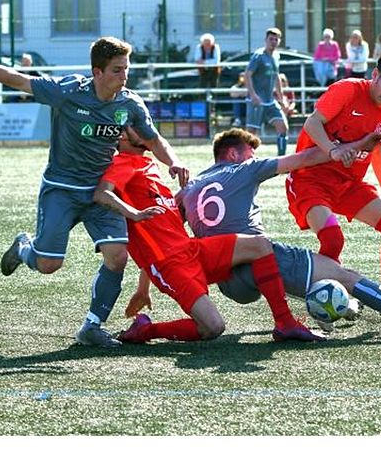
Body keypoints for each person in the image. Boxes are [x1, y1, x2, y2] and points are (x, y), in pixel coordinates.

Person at [0, 36, 190, 349]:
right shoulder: (69, 91)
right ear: (96, 72)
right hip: (62, 189)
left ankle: (92, 327)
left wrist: (174, 162)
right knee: (49, 264)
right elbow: (18, 79)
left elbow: (155, 142)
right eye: (117, 70)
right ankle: (23, 248)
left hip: (101, 192)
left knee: (117, 258)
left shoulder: (129, 104)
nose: (124, 76)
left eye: (126, 69)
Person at [175, 128, 381, 339]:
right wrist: (348, 147)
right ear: (233, 152)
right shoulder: (244, 169)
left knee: (295, 276)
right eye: (250, 153)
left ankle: (316, 307)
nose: (253, 157)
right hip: (255, 256)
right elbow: (303, 159)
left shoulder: (189, 188)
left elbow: (171, 235)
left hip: (227, 283)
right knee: (344, 275)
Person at [94, 127, 325, 343]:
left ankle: (285, 323)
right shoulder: (122, 163)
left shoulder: (148, 166)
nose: (146, 129)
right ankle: (147, 330)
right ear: (122, 137)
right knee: (213, 327)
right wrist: (132, 213)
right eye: (136, 126)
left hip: (191, 249)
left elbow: (157, 229)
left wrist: (142, 290)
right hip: (169, 265)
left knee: (260, 245)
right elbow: (102, 194)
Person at [285, 50, 381, 293]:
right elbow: (312, 123)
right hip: (310, 180)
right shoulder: (347, 89)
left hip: (347, 184)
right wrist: (331, 150)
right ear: (375, 74)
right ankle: (320, 294)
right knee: (333, 239)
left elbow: (376, 152)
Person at [244, 27, 292, 156]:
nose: (273, 42)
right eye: (271, 39)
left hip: (270, 101)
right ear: (265, 40)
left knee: (283, 127)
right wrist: (253, 95)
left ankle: (281, 159)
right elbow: (247, 75)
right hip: (256, 100)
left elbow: (276, 77)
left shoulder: (276, 56)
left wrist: (282, 99)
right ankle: (244, 161)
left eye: (276, 39)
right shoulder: (258, 56)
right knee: (251, 133)